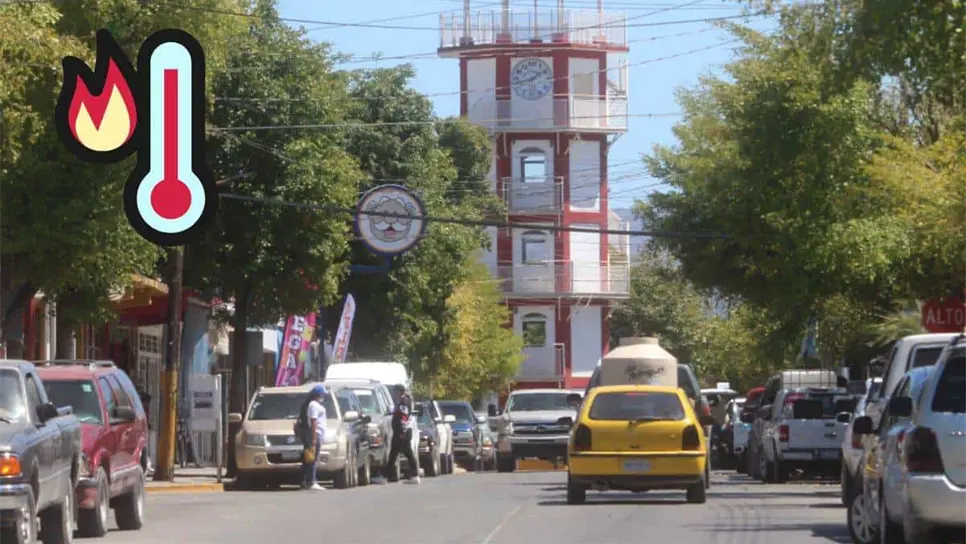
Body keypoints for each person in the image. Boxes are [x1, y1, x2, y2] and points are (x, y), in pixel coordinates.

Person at [380, 384, 420, 484]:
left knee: (408, 454)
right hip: (399, 432)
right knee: (393, 455)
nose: (394, 393)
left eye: (395, 391)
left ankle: (415, 475)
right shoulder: (402, 401)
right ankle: (385, 476)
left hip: (402, 432)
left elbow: (403, 416)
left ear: (400, 391)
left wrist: (402, 431)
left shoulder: (404, 401)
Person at [296, 384, 328, 491]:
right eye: (322, 394)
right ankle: (312, 481)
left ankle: (304, 481)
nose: (323, 397)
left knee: (308, 458)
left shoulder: (313, 404)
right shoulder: (314, 405)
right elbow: (314, 421)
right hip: (314, 434)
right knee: (313, 458)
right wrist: (314, 440)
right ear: (318, 395)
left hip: (314, 434)